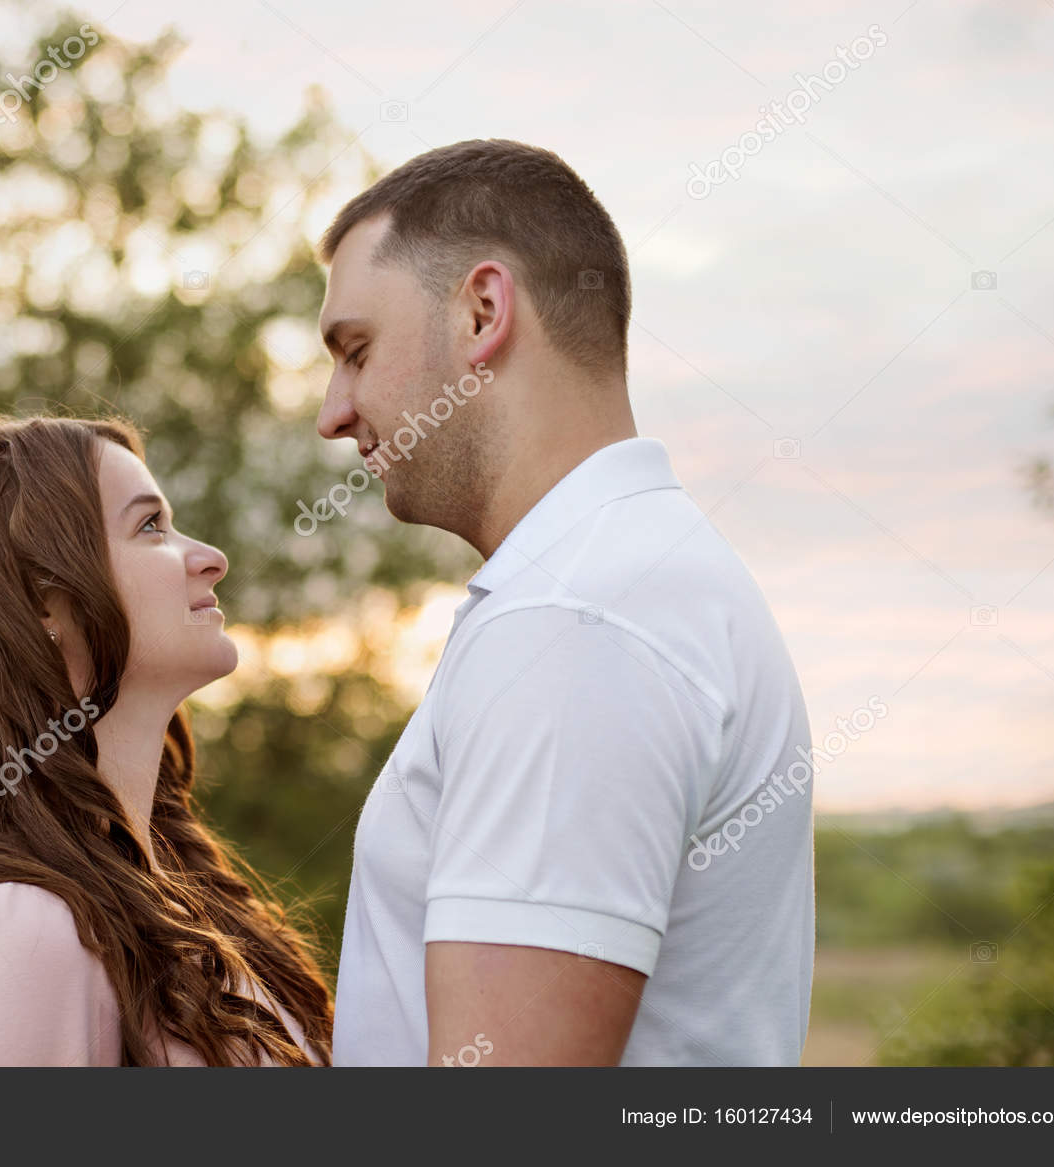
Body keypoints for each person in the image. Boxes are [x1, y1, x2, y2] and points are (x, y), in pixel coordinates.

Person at [314, 139, 814, 1065]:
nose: (333, 411)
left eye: (356, 349)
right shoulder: (622, 579)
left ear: (482, 311)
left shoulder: (576, 619)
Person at [0, 415, 332, 1065]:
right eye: (151, 526)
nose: (210, 557)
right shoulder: (21, 927)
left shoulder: (176, 895)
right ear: (41, 603)